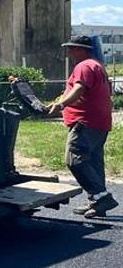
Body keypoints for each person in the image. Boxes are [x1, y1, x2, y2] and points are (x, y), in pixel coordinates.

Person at [48, 34, 116, 217]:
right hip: (99, 122)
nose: (68, 52)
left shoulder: (83, 66)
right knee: (93, 162)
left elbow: (79, 89)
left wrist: (61, 104)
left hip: (84, 122)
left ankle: (101, 197)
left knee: (74, 158)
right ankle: (97, 203)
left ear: (81, 49)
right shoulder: (97, 66)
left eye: (71, 48)